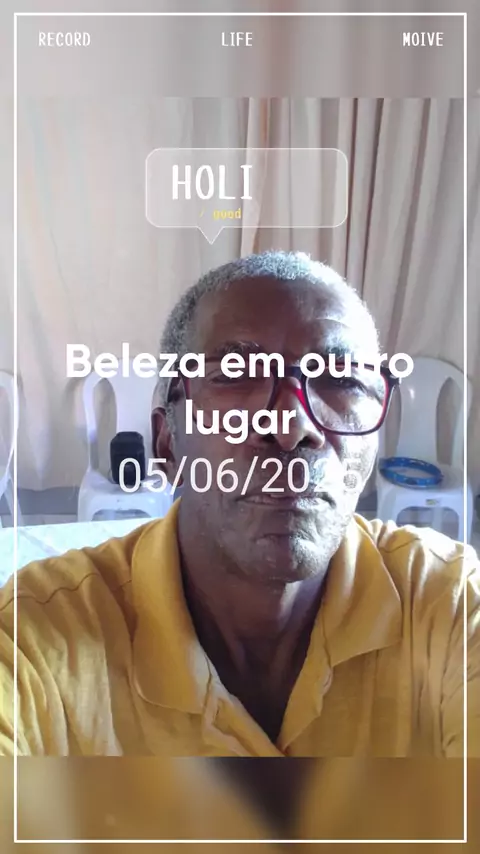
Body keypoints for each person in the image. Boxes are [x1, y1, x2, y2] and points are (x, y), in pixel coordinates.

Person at [0, 251, 479, 844]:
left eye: (340, 380)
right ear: (167, 443)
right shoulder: (36, 643)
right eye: (236, 374)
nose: (293, 426)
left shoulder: (448, 607)